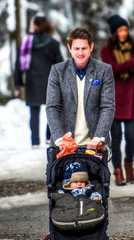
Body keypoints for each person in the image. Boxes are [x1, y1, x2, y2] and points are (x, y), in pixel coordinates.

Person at [46, 26, 115, 153]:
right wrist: (59, 139)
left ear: (91, 47)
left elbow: (107, 106)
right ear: (69, 49)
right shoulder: (57, 71)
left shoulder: (104, 71)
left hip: (94, 144)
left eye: (84, 48)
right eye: (76, 48)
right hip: (64, 145)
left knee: (95, 173)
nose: (80, 53)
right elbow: (52, 107)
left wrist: (98, 137)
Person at [100, 14, 134, 186]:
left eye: (125, 29)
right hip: (115, 98)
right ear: (114, 33)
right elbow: (112, 69)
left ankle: (129, 166)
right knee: (116, 138)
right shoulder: (107, 51)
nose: (124, 33)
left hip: (132, 97)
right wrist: (133, 62)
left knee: (132, 137)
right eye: (120, 30)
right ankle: (118, 172)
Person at [14, 15, 64, 147]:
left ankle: (35, 141)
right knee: (51, 110)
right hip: (50, 81)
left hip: (32, 81)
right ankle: (49, 137)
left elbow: (19, 64)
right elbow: (59, 63)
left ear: (36, 26)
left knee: (34, 112)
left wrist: (18, 82)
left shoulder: (27, 43)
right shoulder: (53, 43)